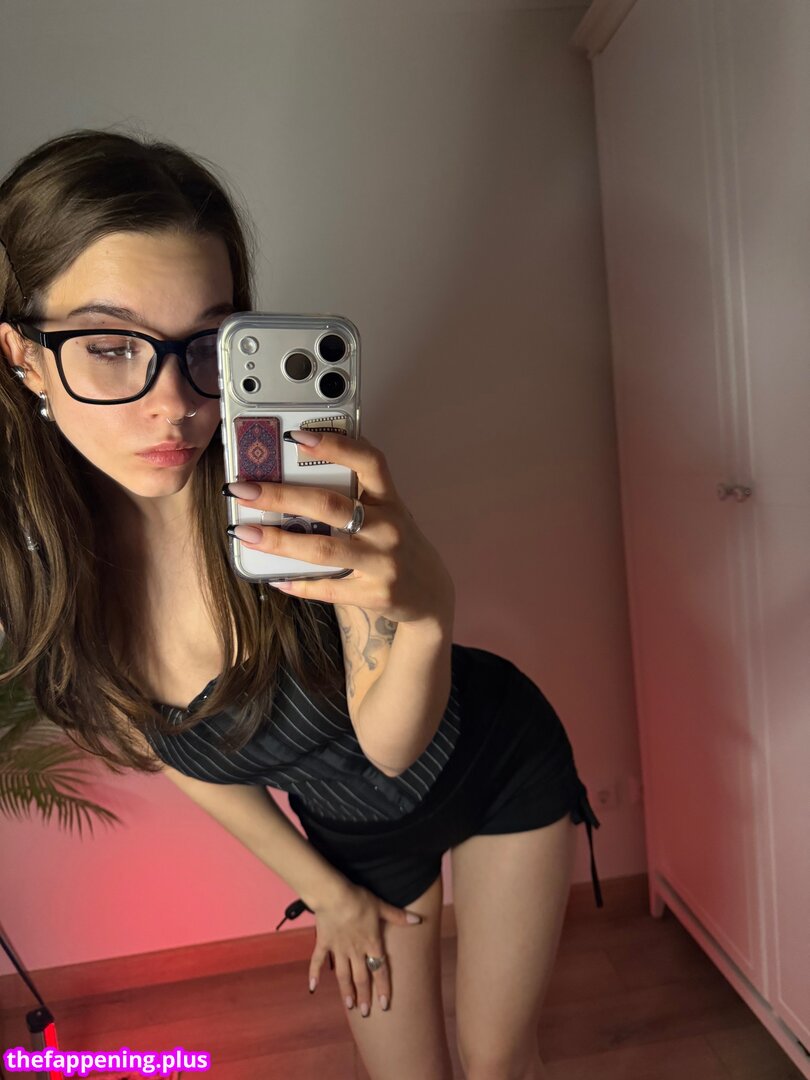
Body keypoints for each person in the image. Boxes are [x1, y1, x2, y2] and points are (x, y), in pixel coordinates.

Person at [0, 127, 602, 1080]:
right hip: (358, 838)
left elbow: (391, 746)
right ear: (25, 356)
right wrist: (328, 894)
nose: (175, 404)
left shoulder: (288, 493)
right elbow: (185, 754)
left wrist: (426, 614)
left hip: (494, 759)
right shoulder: (47, 577)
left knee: (498, 1064)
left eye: (208, 346)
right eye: (111, 346)